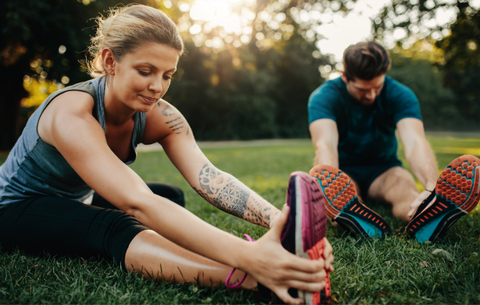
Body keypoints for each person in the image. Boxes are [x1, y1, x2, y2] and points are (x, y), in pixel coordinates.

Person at [0, 5, 333, 304]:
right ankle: (253, 278)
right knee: (117, 223)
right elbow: (136, 201)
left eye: (167, 75)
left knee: (169, 197)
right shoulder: (71, 112)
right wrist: (249, 256)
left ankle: (258, 260)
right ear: (109, 61)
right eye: (145, 71)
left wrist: (282, 220)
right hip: (15, 209)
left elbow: (210, 177)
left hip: (76, 201)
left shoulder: (161, 115)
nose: (157, 87)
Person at [307, 41, 439, 238]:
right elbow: (325, 144)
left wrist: (431, 188)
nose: (371, 95)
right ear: (345, 77)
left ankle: (426, 216)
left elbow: (415, 142)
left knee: (405, 191)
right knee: (347, 199)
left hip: (385, 169)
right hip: (344, 171)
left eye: (377, 87)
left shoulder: (401, 95)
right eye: (362, 89)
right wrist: (331, 190)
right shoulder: (323, 97)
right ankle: (345, 211)